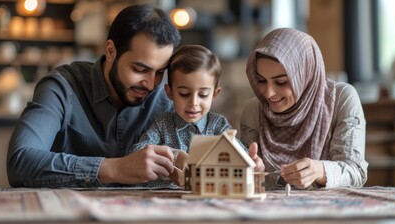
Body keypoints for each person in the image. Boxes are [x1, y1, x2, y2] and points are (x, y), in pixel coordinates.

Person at [7, 3, 182, 188]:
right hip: (66, 214)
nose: (151, 83)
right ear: (110, 51)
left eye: (160, 72)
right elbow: (20, 162)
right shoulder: (62, 87)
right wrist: (114, 169)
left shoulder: (164, 99)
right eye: (139, 69)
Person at [240, 28, 368, 189]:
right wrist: (252, 172)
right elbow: (245, 180)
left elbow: (355, 173)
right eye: (261, 81)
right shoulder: (253, 110)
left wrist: (320, 170)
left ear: (304, 75)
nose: (268, 93)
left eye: (281, 82)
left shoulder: (341, 98)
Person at [128, 45, 263, 189]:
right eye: (184, 94)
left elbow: (239, 156)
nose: (193, 103)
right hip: (163, 197)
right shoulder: (162, 123)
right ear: (169, 92)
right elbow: (137, 153)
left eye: (203, 95)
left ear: (215, 94)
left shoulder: (218, 125)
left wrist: (252, 162)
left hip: (207, 197)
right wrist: (174, 157)